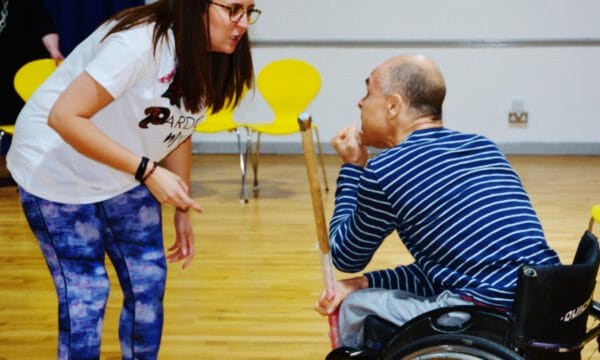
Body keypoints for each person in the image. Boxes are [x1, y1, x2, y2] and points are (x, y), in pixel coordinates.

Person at [6, 0, 261, 358]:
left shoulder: (212, 53)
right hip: (55, 168)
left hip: (125, 168)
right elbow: (64, 117)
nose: (243, 23)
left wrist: (181, 205)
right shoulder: (139, 44)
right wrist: (149, 171)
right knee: (87, 294)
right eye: (233, 9)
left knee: (148, 281)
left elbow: (178, 125)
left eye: (250, 10)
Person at [315, 54, 561, 349]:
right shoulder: (483, 146)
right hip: (547, 300)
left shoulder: (387, 170)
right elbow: (446, 269)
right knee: (367, 292)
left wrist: (354, 167)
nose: (360, 103)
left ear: (393, 105)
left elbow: (343, 255)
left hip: (488, 316)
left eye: (368, 92)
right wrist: (365, 281)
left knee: (354, 308)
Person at [0, 0, 63, 163]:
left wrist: (53, 50)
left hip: (22, 74)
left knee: (28, 126)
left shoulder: (27, 3)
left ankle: (34, 168)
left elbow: (45, 26)